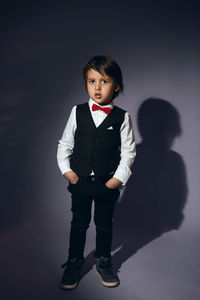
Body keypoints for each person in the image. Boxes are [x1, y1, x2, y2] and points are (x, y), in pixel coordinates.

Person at [57, 55, 136, 289]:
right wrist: (66, 170)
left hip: (106, 183)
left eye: (104, 81)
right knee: (78, 223)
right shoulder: (77, 111)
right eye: (92, 81)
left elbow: (129, 152)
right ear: (86, 84)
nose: (97, 87)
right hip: (80, 180)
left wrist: (117, 179)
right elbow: (65, 144)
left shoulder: (122, 117)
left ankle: (103, 261)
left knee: (104, 224)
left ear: (117, 85)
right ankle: (74, 262)